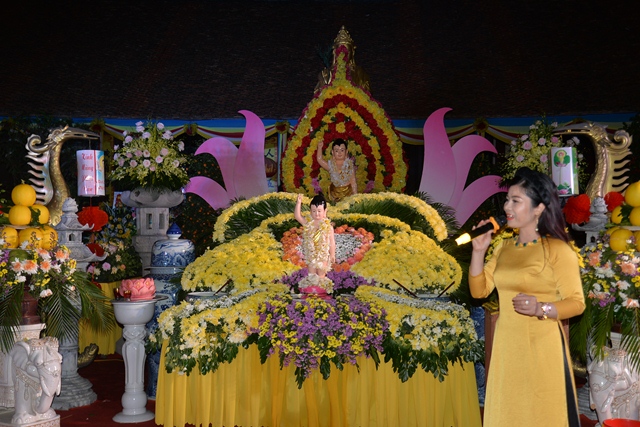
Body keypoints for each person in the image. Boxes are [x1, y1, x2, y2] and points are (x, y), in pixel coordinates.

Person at [468, 167, 585, 427]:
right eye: (507, 199)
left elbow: (577, 303)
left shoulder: (558, 250)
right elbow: (479, 291)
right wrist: (478, 252)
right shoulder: (503, 247)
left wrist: (540, 308)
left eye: (516, 200)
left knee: (541, 414)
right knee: (508, 412)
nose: (507, 206)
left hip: (542, 348)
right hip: (507, 346)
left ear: (538, 208)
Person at [294, 193, 336, 293]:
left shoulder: (328, 227)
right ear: (310, 211)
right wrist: (299, 203)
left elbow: (332, 242)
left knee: (321, 275)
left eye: (319, 211)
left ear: (325, 211)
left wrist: (332, 254)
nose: (316, 214)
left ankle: (321, 293)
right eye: (314, 211)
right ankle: (312, 293)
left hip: (323, 255)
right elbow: (297, 216)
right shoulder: (308, 223)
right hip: (311, 255)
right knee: (312, 275)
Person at [316, 138, 357, 203]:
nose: (339, 153)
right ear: (333, 152)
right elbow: (320, 160)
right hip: (334, 194)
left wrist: (355, 197)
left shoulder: (349, 166)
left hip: (348, 193)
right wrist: (319, 148)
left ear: (346, 151)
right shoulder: (331, 165)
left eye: (342, 150)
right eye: (337, 150)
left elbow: (353, 182)